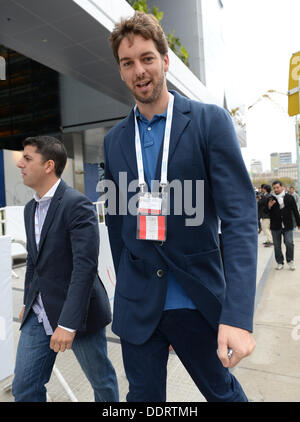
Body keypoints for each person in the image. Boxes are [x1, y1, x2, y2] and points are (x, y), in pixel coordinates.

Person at [104, 12, 257, 402]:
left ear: (165, 61)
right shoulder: (115, 141)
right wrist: (127, 290)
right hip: (139, 308)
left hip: (197, 302)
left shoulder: (209, 122)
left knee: (224, 396)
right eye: (128, 63)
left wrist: (238, 317)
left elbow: (239, 219)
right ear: (120, 71)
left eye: (147, 58)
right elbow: (119, 226)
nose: (139, 70)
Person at [13, 136, 119, 402]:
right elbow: (35, 261)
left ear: (48, 165)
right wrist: (28, 299)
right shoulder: (30, 209)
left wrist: (68, 324)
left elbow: (85, 267)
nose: (20, 164)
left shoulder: (76, 204)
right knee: (24, 388)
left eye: (27, 158)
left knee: (101, 382)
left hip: (77, 314)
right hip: (39, 311)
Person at [267, 180, 300, 271]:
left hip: (287, 225)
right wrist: (269, 206)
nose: (276, 189)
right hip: (275, 226)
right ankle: (280, 262)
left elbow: (295, 211)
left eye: (277, 187)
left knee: (289, 243)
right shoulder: (270, 198)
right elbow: (266, 213)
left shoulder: (289, 197)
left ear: (282, 187)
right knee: (277, 246)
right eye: (274, 188)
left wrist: (298, 223)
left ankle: (290, 261)